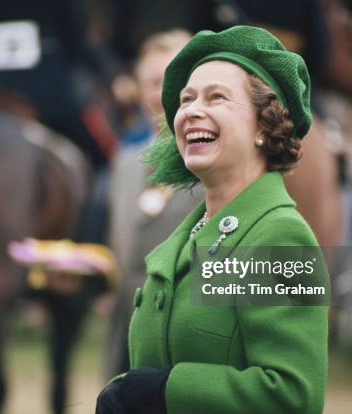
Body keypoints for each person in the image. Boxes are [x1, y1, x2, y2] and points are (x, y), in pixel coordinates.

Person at [96, 25, 329, 413]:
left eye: (216, 97)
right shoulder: (184, 238)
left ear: (263, 126)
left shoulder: (281, 235)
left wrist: (166, 390)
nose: (191, 111)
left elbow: (293, 396)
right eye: (186, 100)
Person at [106, 29, 204, 378]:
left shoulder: (220, 166)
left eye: (171, 79)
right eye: (150, 82)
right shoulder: (123, 162)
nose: (159, 93)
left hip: (190, 360)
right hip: (123, 352)